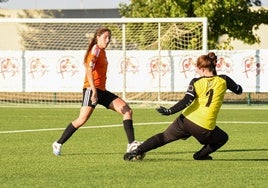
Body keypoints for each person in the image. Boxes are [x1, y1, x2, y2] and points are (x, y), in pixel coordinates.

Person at [124, 52, 243, 161]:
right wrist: (236, 87)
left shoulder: (196, 82)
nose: (196, 70)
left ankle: (136, 151)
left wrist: (170, 111)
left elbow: (187, 100)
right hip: (204, 127)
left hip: (186, 120)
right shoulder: (224, 80)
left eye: (197, 68)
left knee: (164, 137)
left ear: (202, 68)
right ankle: (200, 155)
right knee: (223, 138)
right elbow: (239, 90)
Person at [52, 27, 140, 156]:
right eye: (105, 37)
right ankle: (58, 143)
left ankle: (131, 144)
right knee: (81, 120)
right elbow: (89, 70)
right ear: (97, 37)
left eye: (109, 37)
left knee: (127, 110)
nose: (108, 40)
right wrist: (93, 91)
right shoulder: (96, 50)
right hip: (91, 90)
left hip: (102, 91)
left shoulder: (102, 51)